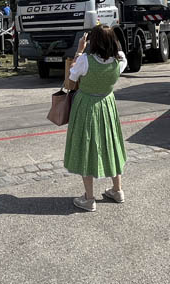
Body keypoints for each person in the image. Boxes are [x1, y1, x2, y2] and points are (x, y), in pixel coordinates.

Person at [64, 25, 128, 212]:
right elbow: (117, 58)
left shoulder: (85, 60)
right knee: (111, 143)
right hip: (107, 104)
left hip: (86, 105)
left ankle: (89, 198)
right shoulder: (120, 59)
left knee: (87, 147)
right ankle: (117, 190)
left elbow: (72, 78)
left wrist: (79, 50)